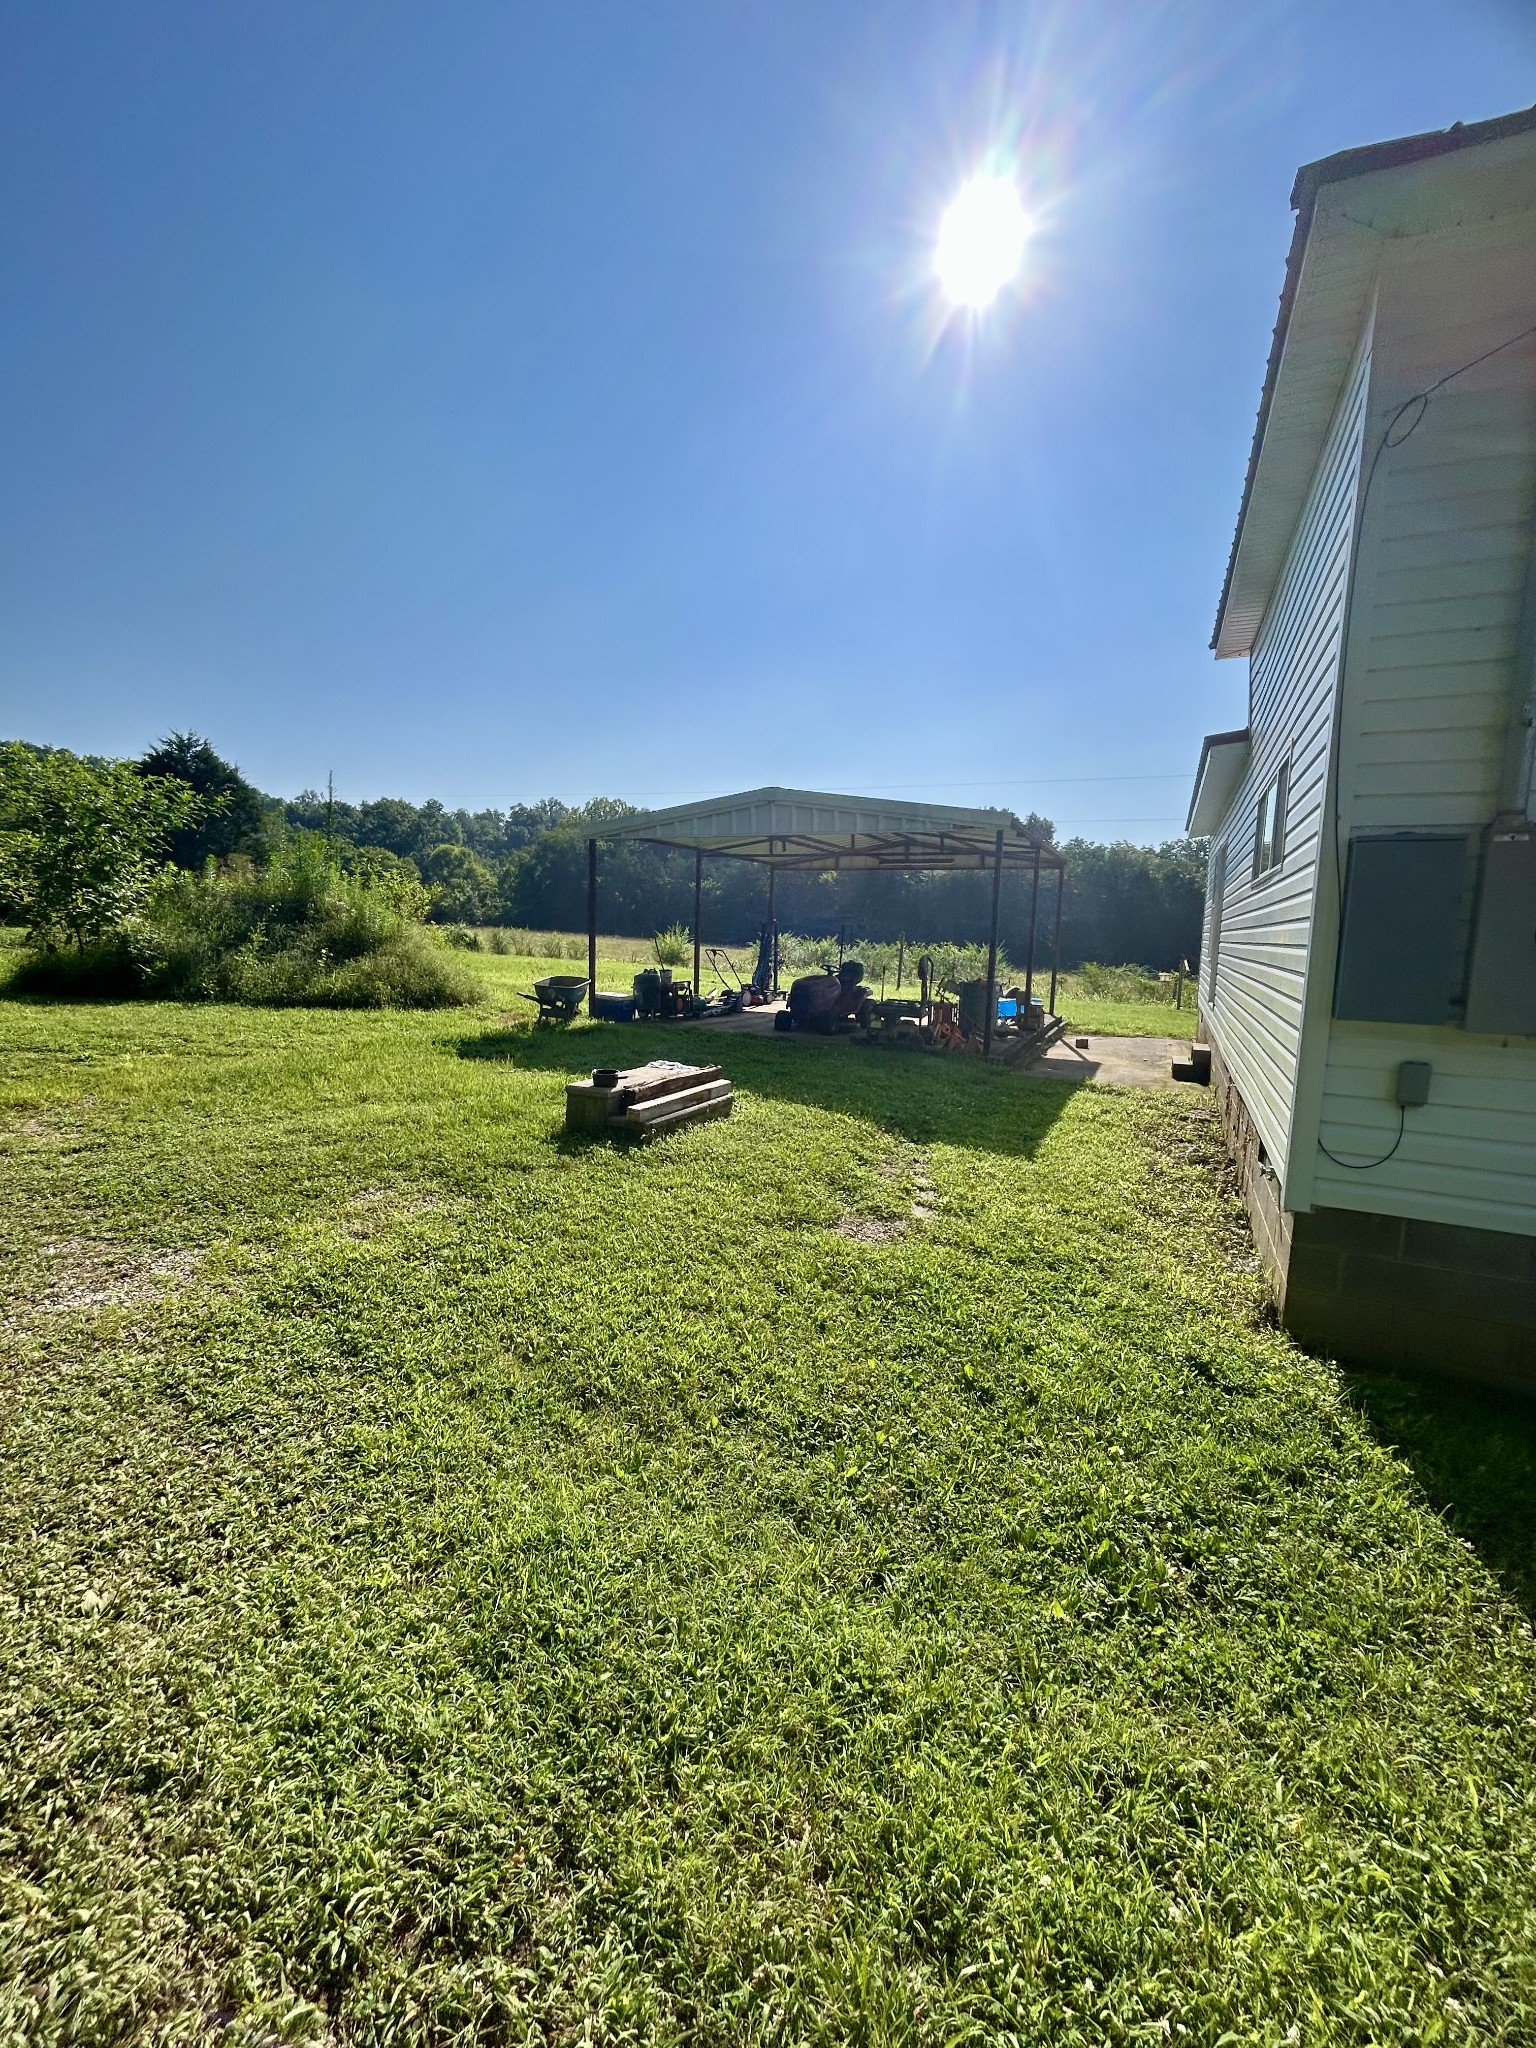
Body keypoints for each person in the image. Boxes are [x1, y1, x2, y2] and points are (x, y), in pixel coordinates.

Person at [784, 960, 871, 1033]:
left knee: (833, 984)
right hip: (826, 1010)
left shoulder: (855, 983)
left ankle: (827, 1015)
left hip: (846, 991)